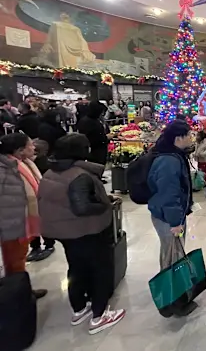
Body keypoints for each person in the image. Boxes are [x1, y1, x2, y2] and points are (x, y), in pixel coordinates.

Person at [37, 133, 125, 333]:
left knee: (76, 269)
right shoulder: (78, 175)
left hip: (65, 232)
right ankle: (99, 315)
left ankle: (79, 308)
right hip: (86, 230)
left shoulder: (51, 172)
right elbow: (82, 207)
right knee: (100, 270)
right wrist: (104, 204)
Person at [147, 120, 197, 315]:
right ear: (179, 138)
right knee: (172, 257)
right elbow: (169, 194)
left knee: (171, 254)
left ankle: (175, 296)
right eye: (189, 135)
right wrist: (175, 222)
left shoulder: (171, 154)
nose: (191, 138)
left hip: (166, 215)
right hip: (167, 217)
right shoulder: (169, 161)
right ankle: (171, 301)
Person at [0, 133, 47, 299]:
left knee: (19, 257)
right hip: (12, 223)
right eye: (30, 145)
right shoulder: (6, 169)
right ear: (20, 150)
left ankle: (22, 289)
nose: (33, 147)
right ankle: (19, 295)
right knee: (14, 259)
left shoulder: (22, 163)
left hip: (22, 219)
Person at [77, 101, 109, 167]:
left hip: (93, 151)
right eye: (102, 113)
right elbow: (97, 138)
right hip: (95, 152)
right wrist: (107, 137)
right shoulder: (93, 123)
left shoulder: (85, 120)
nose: (102, 115)